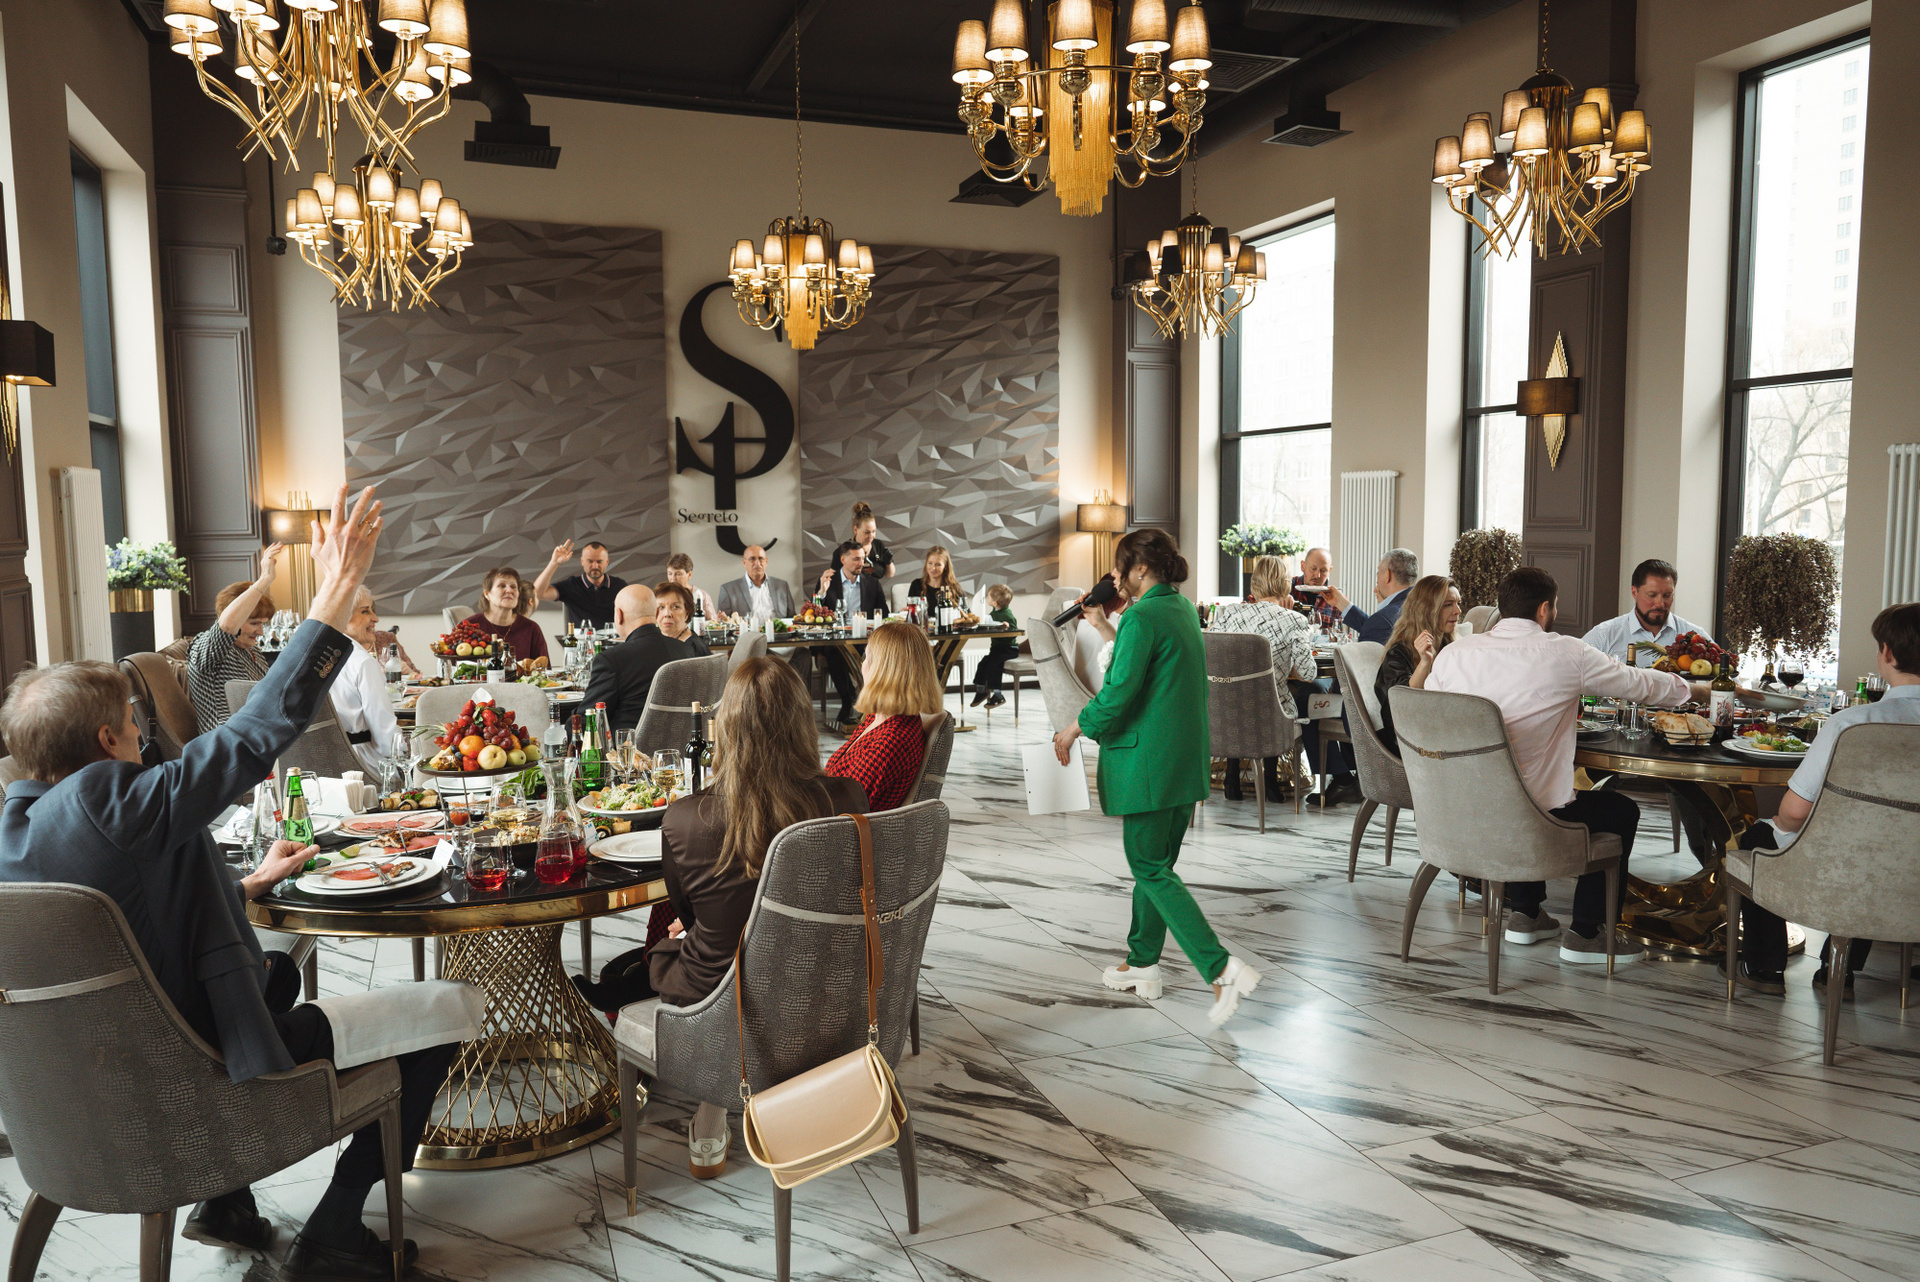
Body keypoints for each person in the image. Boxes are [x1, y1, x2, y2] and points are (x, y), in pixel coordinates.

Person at [0, 486, 475, 1280]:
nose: (145, 736)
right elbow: (255, 733)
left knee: (276, 972)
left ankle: (227, 1205)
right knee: (449, 1009)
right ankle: (336, 1229)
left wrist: (249, 885)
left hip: (80, 1107)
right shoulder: (110, 801)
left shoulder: (19, 831)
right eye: (135, 723)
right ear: (108, 739)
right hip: (191, 1091)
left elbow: (123, 929)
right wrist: (335, 589)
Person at [645, 657, 869, 1177]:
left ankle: (713, 1098)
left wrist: (703, 922)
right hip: (822, 981)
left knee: (674, 948)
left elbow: (684, 910)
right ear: (802, 722)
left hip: (727, 991)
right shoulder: (848, 797)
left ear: (726, 728)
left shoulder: (684, 817)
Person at [1425, 566, 1690, 964]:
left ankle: (1526, 913)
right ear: (1545, 609)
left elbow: (1433, 717)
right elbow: (1640, 683)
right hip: (1532, 820)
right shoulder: (1566, 652)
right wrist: (1693, 689)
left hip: (1459, 814)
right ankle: (1587, 932)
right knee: (1620, 811)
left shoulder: (1453, 654)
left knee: (1520, 790)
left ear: (1502, 607)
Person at [1051, 529, 1261, 1028]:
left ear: (1140, 569)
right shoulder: (1180, 608)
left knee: (1149, 867)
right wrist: (1104, 624)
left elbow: (1119, 693)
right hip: (1182, 763)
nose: (1114, 576)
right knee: (1158, 865)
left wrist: (1074, 728)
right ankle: (1143, 962)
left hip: (1150, 765)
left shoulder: (1142, 617)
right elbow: (1146, 662)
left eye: (1119, 567)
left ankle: (1221, 968)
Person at [1726, 602, 1920, 996]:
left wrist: (1777, 825)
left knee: (1761, 838)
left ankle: (1764, 968)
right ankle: (1838, 970)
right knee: (1885, 846)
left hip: (1848, 865)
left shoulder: (1851, 724)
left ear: (1886, 652)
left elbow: (1794, 813)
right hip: (1910, 869)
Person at [1210, 555, 1317, 802]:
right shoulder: (1294, 620)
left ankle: (1232, 779)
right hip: (1271, 716)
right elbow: (1309, 673)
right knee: (1271, 695)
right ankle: (1270, 782)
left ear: (1254, 582)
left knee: (1239, 692)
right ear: (1285, 583)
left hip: (1225, 712)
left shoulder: (1229, 614)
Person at [827, 621, 940, 810]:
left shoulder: (891, 741)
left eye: (866, 657)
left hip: (834, 824)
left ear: (882, 670)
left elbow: (842, 808)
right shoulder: (877, 718)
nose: (862, 665)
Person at [186, 542, 284, 735]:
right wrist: (265, 579)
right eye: (254, 623)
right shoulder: (206, 648)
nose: (260, 632)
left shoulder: (251, 651)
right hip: (227, 741)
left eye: (263, 624)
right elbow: (227, 626)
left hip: (257, 737)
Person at [1373, 575, 1462, 755]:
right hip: (1409, 742)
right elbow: (1404, 704)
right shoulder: (1398, 653)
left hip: (1442, 731)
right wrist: (1425, 662)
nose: (1458, 611)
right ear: (1427, 610)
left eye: (1458, 603)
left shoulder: (1450, 647)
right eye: (1448, 605)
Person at [332, 587, 403, 779]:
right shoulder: (362, 662)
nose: (375, 618)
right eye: (365, 611)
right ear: (342, 617)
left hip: (325, 766)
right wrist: (406, 759)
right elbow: (385, 734)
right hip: (364, 767)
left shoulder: (314, 655)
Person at [1580, 558, 1708, 664]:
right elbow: (1574, 672)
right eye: (1652, 595)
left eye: (1667, 595)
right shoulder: (1604, 635)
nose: (1660, 604)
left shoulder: (1695, 637)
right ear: (1634, 592)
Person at [816, 542, 888, 728]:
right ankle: (848, 700)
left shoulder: (872, 583)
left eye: (863, 559)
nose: (861, 563)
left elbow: (884, 613)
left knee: (876, 654)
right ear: (843, 559)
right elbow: (815, 612)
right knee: (834, 653)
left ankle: (868, 704)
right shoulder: (829, 581)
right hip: (835, 640)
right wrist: (822, 591)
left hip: (865, 638)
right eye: (856, 559)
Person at [1323, 548, 1418, 645]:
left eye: (1378, 572)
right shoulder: (1421, 605)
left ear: (1387, 575)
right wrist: (1340, 602)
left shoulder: (1383, 620)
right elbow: (1375, 628)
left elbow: (1377, 627)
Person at [532, 539, 628, 631]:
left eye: (599, 561)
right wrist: (554, 563)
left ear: (607, 562)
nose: (595, 566)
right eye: (590, 561)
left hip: (614, 640)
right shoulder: (571, 585)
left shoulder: (620, 586)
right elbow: (537, 593)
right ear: (582, 561)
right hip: (580, 641)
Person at [464, 566, 550, 667]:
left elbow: (545, 670)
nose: (509, 590)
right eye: (502, 586)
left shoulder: (531, 628)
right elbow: (454, 670)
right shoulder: (469, 627)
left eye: (513, 587)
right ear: (487, 594)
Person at [969, 584, 1021, 708]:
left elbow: (1013, 632)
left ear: (994, 603)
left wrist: (1007, 627)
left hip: (1009, 649)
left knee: (994, 665)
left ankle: (998, 694)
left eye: (988, 597)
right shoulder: (994, 612)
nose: (986, 598)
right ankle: (981, 691)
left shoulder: (1007, 615)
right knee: (983, 664)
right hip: (997, 650)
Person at [715, 543, 795, 620]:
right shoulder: (728, 590)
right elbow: (723, 622)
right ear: (744, 562)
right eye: (752, 559)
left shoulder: (782, 586)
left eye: (761, 559)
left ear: (766, 562)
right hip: (746, 630)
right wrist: (722, 618)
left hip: (778, 629)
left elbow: (792, 618)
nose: (757, 563)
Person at [1292, 547, 1344, 631]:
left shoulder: (1337, 599)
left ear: (1329, 570)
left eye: (1323, 571)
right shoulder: (1287, 587)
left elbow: (1344, 635)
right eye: (1313, 569)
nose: (1317, 575)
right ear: (1303, 566)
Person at [652, 581, 713, 652]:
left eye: (675, 607)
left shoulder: (692, 648)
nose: (667, 614)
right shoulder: (659, 641)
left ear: (687, 613)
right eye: (661, 607)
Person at [908, 545, 966, 610]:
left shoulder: (955, 588)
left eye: (938, 564)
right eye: (930, 563)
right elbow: (910, 612)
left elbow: (966, 613)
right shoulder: (916, 585)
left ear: (945, 566)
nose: (933, 568)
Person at [665, 552, 719, 619]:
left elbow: (713, 621)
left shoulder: (702, 596)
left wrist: (720, 619)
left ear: (689, 575)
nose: (673, 578)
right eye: (670, 574)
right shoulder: (663, 595)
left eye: (678, 574)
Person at [850, 500, 895, 580]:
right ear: (855, 530)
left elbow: (890, 574)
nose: (871, 536)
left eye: (873, 531)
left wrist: (888, 562)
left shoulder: (878, 545)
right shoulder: (846, 549)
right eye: (867, 532)